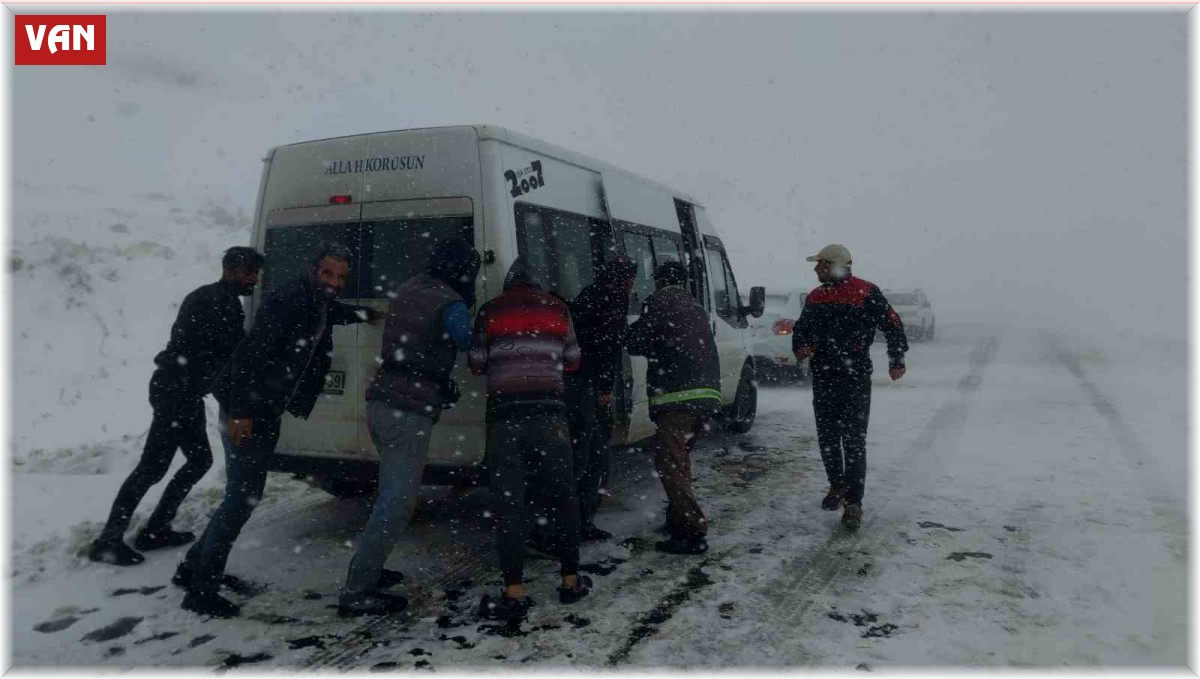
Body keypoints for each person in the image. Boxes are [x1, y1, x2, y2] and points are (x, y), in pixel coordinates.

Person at [176, 243, 377, 618]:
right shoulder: (290, 300)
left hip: (262, 409)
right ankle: (201, 589)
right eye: (328, 273)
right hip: (247, 410)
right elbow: (249, 357)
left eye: (341, 276)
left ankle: (193, 568)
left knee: (242, 495)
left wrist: (370, 313)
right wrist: (241, 414)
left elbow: (336, 312)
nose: (335, 282)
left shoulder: (317, 300)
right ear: (312, 269)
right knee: (242, 498)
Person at [89, 247, 264, 567]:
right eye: (248, 272)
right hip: (175, 391)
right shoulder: (218, 303)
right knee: (152, 468)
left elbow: (219, 356)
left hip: (181, 390)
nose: (254, 279)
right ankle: (108, 542)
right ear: (230, 270)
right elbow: (223, 358)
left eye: (256, 273)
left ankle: (156, 529)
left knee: (199, 460)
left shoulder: (215, 298)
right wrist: (237, 407)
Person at [338, 239, 481, 617]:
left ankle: (367, 568)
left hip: (381, 400)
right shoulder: (449, 302)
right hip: (408, 410)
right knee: (397, 503)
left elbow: (415, 341)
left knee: (389, 495)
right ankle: (357, 590)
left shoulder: (409, 287)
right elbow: (469, 342)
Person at [469, 258, 593, 623]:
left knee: (509, 503)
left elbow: (476, 362)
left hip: (505, 418)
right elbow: (574, 360)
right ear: (538, 283)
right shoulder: (558, 309)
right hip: (550, 417)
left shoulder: (491, 310)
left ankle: (514, 591)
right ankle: (570, 580)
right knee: (563, 497)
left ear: (509, 284)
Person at [792, 244, 907, 531]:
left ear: (835, 265)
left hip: (855, 378)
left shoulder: (866, 292)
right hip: (823, 377)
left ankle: (854, 503)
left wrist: (897, 359)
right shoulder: (816, 296)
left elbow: (892, 324)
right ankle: (837, 485)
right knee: (828, 437)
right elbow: (801, 329)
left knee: (854, 441)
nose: (816, 269)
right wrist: (801, 346)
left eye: (820, 264)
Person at [528, 257, 638, 550]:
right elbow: (606, 345)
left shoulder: (590, 293)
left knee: (577, 455)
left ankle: (561, 523)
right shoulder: (615, 298)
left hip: (569, 381)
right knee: (591, 458)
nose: (631, 284)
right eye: (631, 278)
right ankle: (566, 525)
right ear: (625, 279)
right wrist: (604, 388)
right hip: (586, 386)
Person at [625, 260, 721, 555]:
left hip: (677, 398)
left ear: (658, 281)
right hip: (706, 397)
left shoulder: (659, 303)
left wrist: (629, 328)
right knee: (680, 461)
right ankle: (678, 520)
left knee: (672, 467)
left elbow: (636, 342)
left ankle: (692, 533)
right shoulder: (695, 306)